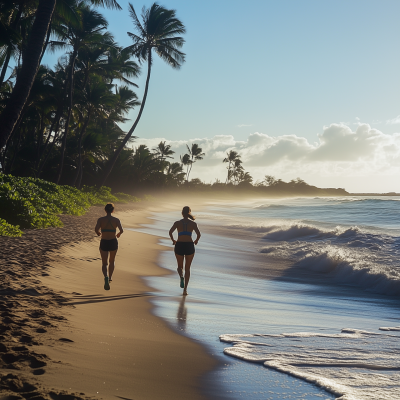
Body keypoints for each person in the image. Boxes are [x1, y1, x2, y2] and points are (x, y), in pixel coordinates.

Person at [169, 206, 200, 295]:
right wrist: (196, 241)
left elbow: (170, 232)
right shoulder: (193, 224)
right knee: (187, 268)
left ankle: (181, 276)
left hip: (179, 245)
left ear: (182, 213)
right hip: (189, 245)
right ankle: (185, 289)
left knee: (180, 267)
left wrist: (173, 240)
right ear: (189, 213)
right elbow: (199, 234)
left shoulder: (177, 223)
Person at [95, 203, 123, 290]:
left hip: (104, 242)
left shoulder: (101, 219)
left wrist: (99, 233)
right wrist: (118, 234)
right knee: (112, 261)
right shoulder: (116, 220)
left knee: (104, 263)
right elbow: (121, 230)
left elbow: (96, 229)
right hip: (113, 242)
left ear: (105, 210)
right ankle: (110, 277)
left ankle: (106, 277)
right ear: (113, 210)